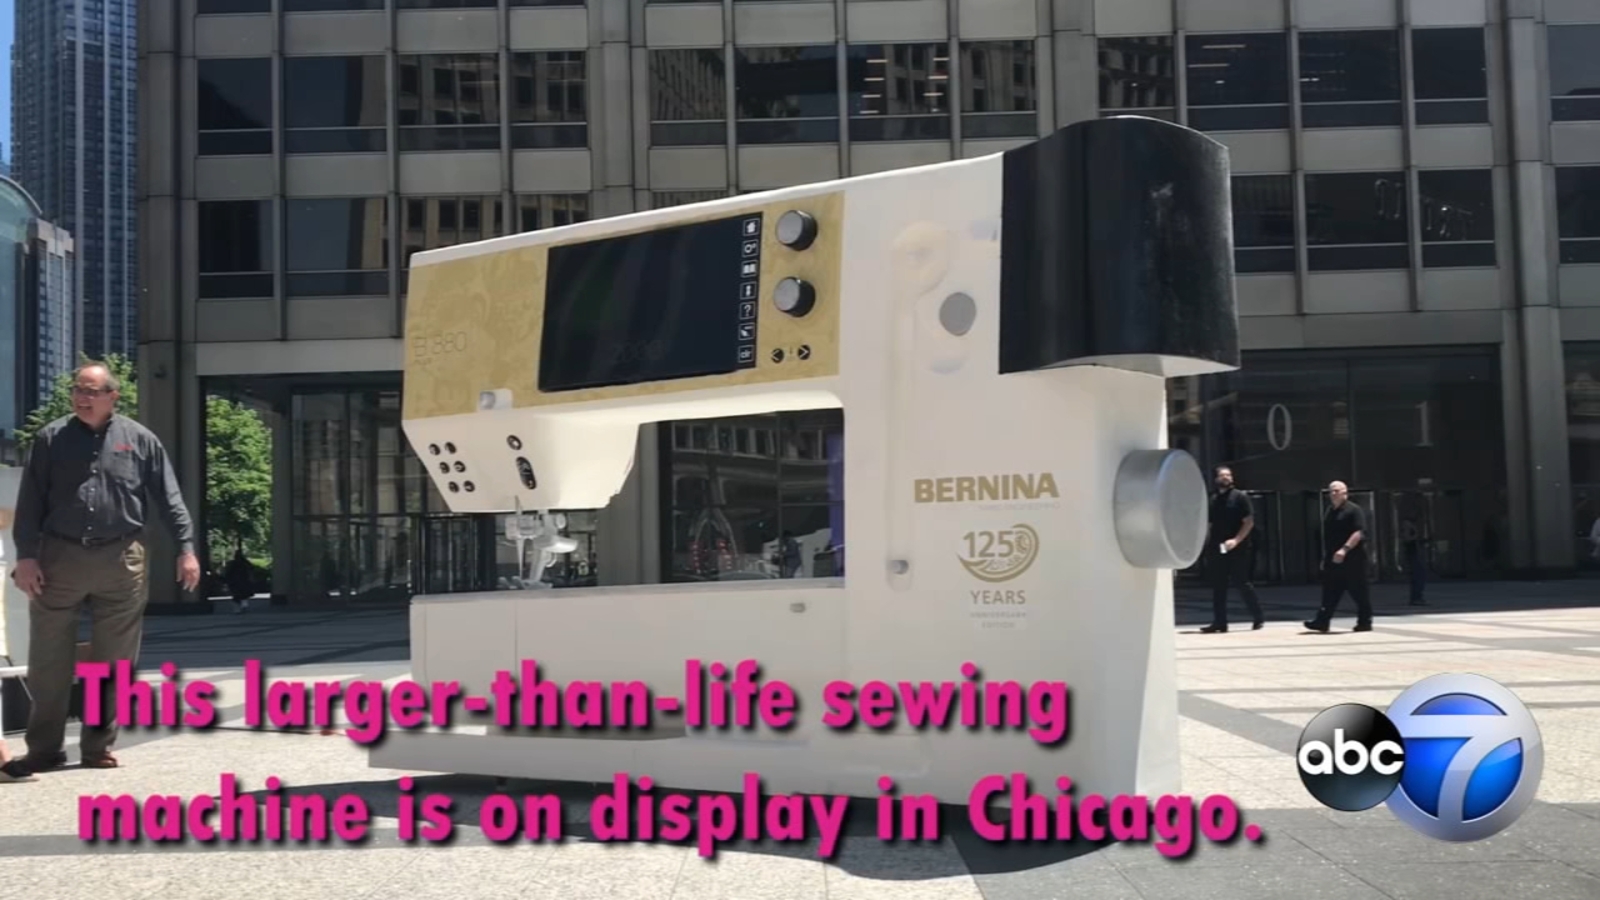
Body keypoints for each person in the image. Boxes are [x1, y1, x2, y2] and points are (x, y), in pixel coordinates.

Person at [1, 363, 199, 779]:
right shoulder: (51, 437)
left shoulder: (140, 440)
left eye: (91, 391)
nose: (82, 398)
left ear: (113, 396)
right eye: (78, 390)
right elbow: (31, 501)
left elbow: (169, 497)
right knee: (48, 660)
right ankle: (43, 750)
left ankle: (97, 746)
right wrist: (26, 556)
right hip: (59, 559)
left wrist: (186, 549)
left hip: (121, 560)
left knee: (113, 662)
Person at [1199, 466, 1264, 633]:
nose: (1226, 477)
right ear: (1216, 479)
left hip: (1239, 548)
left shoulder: (1240, 497)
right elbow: (1209, 524)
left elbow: (1248, 522)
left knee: (1242, 582)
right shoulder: (1213, 499)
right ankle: (1219, 622)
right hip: (1217, 547)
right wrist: (1205, 545)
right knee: (1218, 585)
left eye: (1229, 475)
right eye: (1223, 475)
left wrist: (1236, 540)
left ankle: (1258, 617)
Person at [1305, 480, 1371, 634]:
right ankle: (1322, 621)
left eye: (1336, 491)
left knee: (1358, 591)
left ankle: (1365, 621)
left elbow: (1359, 532)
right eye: (1331, 491)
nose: (1333, 494)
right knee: (1330, 590)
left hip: (1353, 559)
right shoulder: (1330, 510)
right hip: (1332, 558)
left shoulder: (1354, 510)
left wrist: (1345, 549)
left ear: (1345, 492)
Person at [1400, 516, 1427, 606]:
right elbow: (1407, 539)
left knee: (1419, 577)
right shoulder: (1408, 528)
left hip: (1414, 554)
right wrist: (1416, 535)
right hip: (1412, 555)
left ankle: (1417, 597)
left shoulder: (1410, 528)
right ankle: (1416, 598)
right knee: (1417, 576)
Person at [224, 547, 254, 614]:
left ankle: (237, 609)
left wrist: (227, 580)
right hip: (244, 581)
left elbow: (228, 573)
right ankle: (243, 606)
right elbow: (251, 570)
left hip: (235, 582)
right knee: (244, 595)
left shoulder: (232, 564)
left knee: (236, 596)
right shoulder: (246, 563)